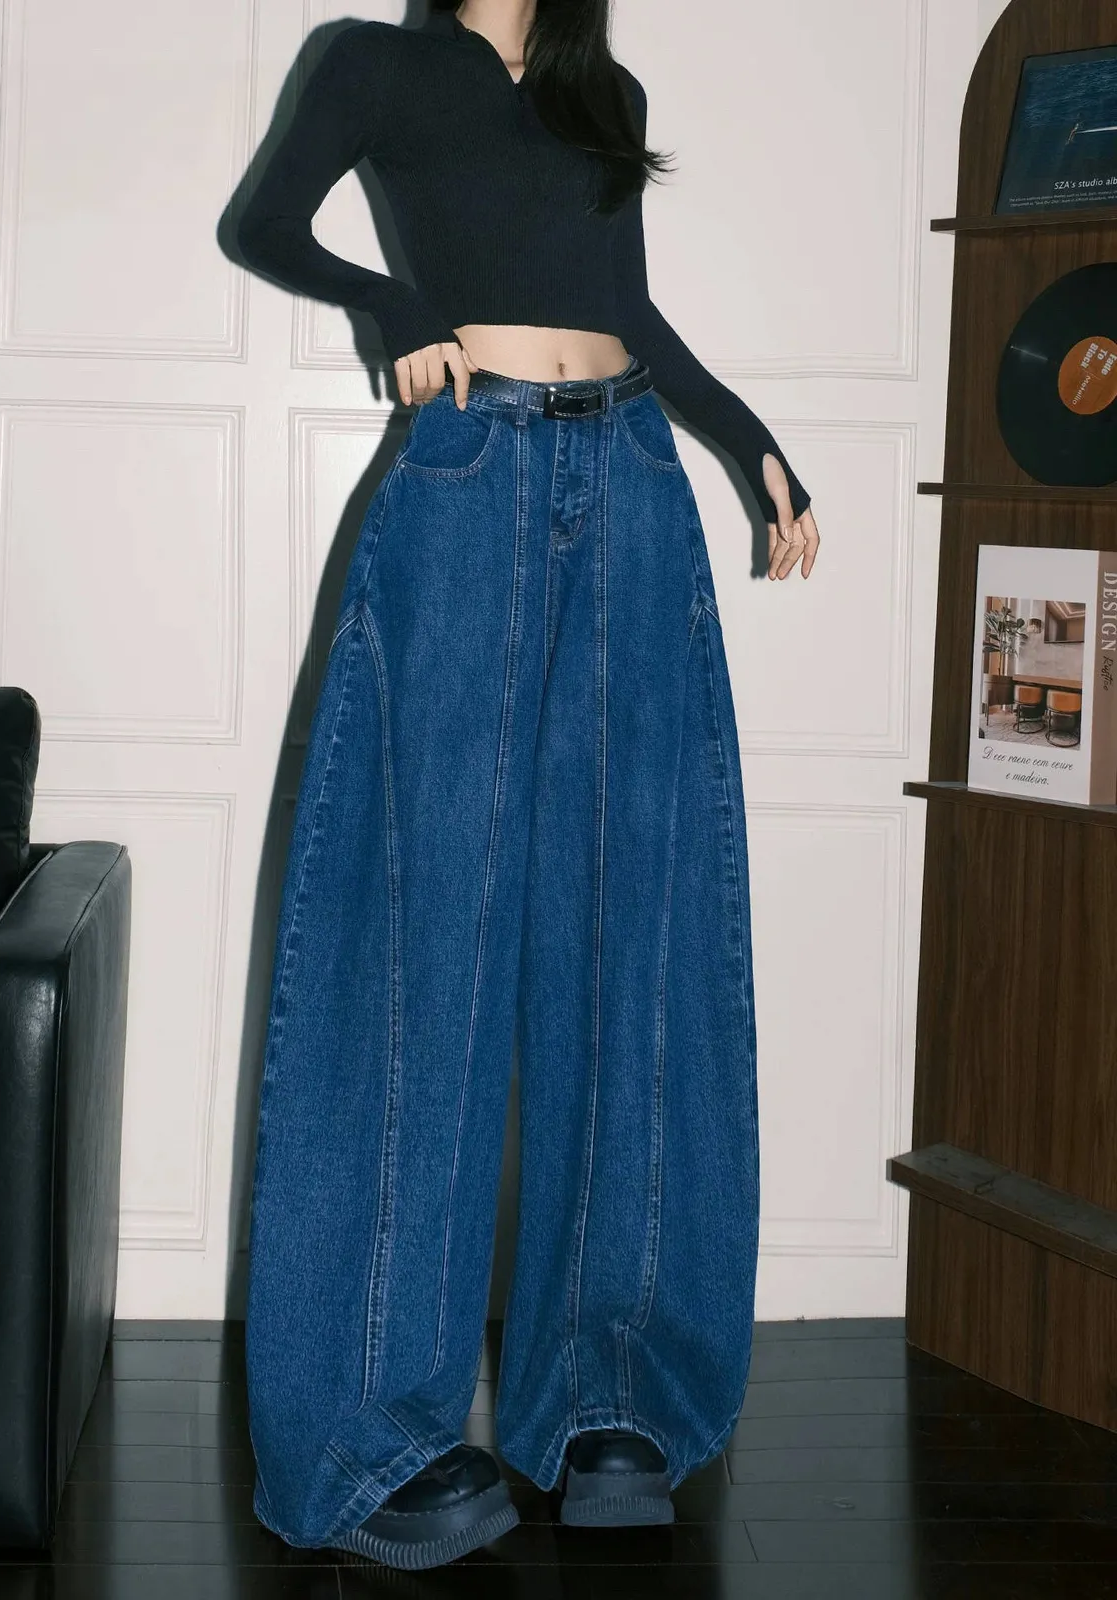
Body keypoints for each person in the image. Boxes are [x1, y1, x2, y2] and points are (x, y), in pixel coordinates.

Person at [226, 0, 821, 1572]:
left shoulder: (599, 89)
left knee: (632, 930)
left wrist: (747, 441)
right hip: (469, 475)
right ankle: (374, 1426)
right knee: (417, 943)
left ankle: (614, 1391)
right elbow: (262, 223)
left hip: (631, 480)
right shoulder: (373, 61)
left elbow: (630, 309)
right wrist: (390, 307)